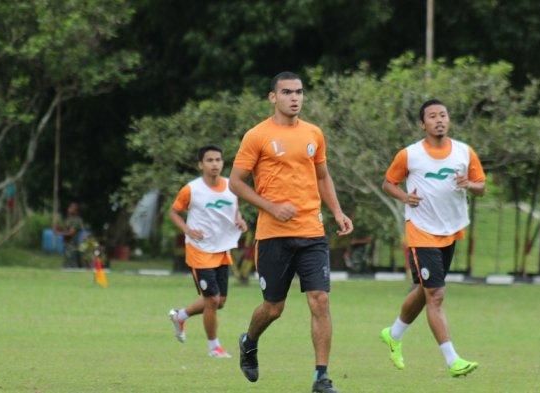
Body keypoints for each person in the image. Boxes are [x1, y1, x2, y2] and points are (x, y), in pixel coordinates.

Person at [229, 71, 353, 393]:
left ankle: (321, 377)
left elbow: (323, 176)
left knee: (320, 299)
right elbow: (236, 182)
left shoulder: (314, 133)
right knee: (273, 307)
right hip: (273, 235)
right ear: (273, 97)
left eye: (298, 92)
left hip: (311, 230)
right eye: (287, 92)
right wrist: (271, 207)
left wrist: (337, 212)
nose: (294, 97)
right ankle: (250, 340)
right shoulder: (256, 136)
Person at [379, 99, 486, 377]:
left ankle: (393, 333)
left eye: (443, 115)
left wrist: (469, 184)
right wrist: (405, 197)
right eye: (432, 116)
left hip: (451, 230)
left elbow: (481, 187)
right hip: (421, 230)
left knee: (424, 290)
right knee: (436, 294)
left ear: (448, 120)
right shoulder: (410, 155)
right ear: (422, 123)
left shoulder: (464, 152)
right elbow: (388, 183)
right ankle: (453, 361)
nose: (439, 120)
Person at [167, 145, 248, 358]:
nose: (215, 164)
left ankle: (180, 316)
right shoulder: (191, 189)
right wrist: (187, 230)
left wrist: (239, 220)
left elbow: (234, 210)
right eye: (209, 160)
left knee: (219, 302)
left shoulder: (232, 186)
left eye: (218, 160)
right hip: (199, 250)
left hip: (222, 250)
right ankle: (214, 348)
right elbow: (173, 212)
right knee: (211, 300)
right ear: (201, 164)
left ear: (223, 163)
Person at [55, 202, 84, 268]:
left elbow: (71, 233)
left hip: (73, 246)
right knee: (66, 264)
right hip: (67, 245)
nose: (69, 209)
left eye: (72, 208)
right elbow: (65, 230)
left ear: (76, 211)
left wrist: (59, 233)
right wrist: (58, 228)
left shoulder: (77, 220)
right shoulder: (68, 220)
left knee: (73, 265)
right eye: (69, 207)